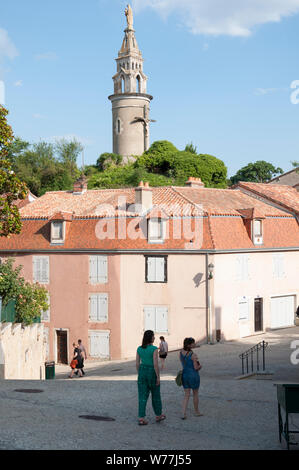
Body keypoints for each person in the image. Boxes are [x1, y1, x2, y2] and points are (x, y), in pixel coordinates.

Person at [136, 330, 166, 425]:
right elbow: (155, 364)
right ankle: (158, 415)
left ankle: (141, 418)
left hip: (142, 371)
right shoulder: (154, 349)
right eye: (153, 336)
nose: (154, 338)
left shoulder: (139, 349)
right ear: (150, 338)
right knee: (156, 394)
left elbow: (137, 363)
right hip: (151, 372)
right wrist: (158, 377)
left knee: (142, 396)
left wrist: (139, 373)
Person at [179, 337, 203, 419]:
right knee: (195, 394)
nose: (195, 344)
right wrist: (200, 366)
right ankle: (197, 411)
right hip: (193, 375)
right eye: (193, 343)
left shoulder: (181, 352)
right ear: (189, 345)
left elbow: (183, 363)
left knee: (186, 395)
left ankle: (183, 413)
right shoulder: (193, 355)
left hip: (185, 375)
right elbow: (196, 368)